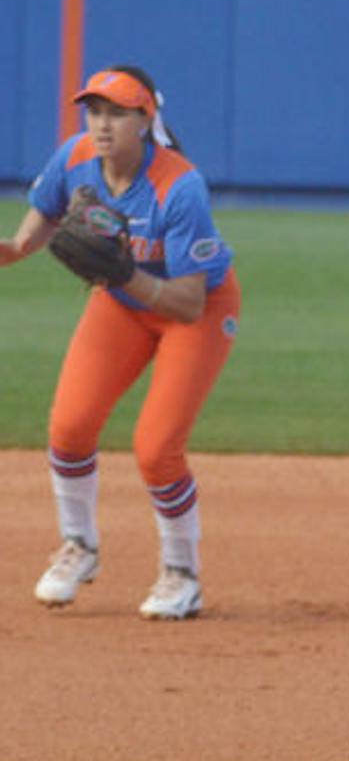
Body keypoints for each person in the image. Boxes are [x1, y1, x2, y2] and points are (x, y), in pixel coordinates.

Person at [0, 65, 239, 620]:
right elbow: (50, 205)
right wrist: (18, 246)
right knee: (69, 427)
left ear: (145, 119)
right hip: (123, 303)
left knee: (156, 448)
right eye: (95, 111)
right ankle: (77, 546)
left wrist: (121, 273)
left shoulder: (180, 187)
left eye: (117, 113)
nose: (102, 124)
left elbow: (188, 302)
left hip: (195, 310)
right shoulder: (77, 154)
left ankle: (182, 574)